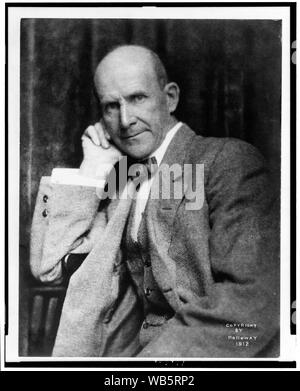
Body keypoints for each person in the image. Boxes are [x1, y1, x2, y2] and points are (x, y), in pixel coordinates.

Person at [30, 45, 280, 357]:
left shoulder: (226, 161)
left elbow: (252, 301)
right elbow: (50, 268)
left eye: (137, 98)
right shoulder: (120, 178)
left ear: (170, 97)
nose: (124, 121)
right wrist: (90, 171)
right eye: (111, 106)